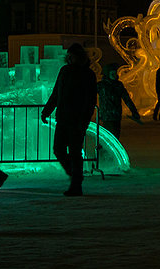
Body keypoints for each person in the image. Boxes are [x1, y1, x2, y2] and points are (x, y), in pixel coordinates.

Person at [42, 43, 98, 196]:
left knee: (74, 152)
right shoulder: (65, 71)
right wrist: (46, 111)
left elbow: (91, 100)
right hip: (63, 118)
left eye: (73, 56)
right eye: (70, 56)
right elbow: (56, 94)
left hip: (77, 119)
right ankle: (75, 176)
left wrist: (84, 120)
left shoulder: (88, 74)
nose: (71, 58)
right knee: (58, 149)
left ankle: (76, 183)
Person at [96, 65, 141, 140]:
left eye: (115, 73)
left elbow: (127, 99)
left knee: (115, 135)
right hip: (106, 115)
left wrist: (134, 111)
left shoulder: (118, 85)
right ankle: (106, 149)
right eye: (112, 74)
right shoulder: (101, 85)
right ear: (107, 74)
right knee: (109, 135)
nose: (114, 76)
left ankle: (109, 149)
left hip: (116, 114)